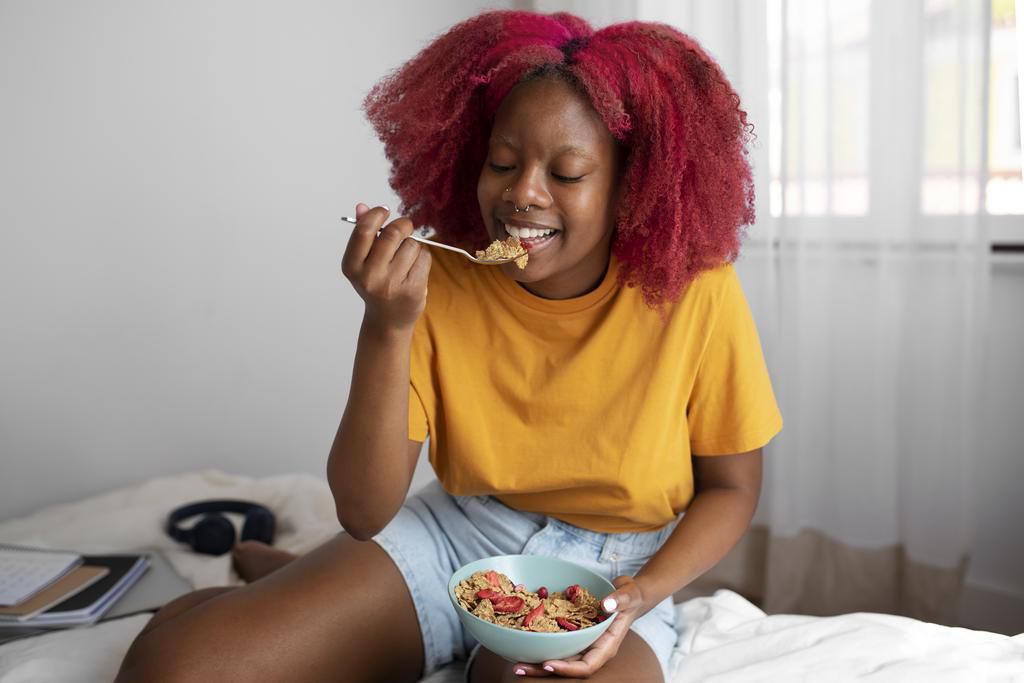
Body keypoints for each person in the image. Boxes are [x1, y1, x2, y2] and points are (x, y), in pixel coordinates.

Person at [116, 9, 781, 683]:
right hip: (453, 540)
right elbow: (362, 509)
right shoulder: (443, 277)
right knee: (169, 670)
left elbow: (730, 488)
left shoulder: (695, 291)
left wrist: (638, 596)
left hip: (613, 575)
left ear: (629, 189)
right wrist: (387, 324)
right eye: (503, 162)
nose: (523, 192)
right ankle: (296, 593)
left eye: (567, 173)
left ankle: (291, 580)